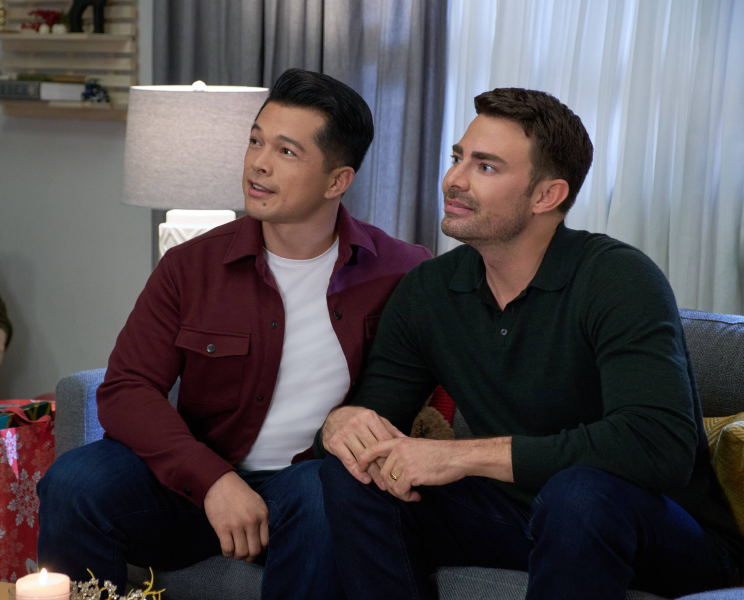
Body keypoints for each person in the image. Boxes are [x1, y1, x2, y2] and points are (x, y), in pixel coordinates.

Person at [317, 88, 744, 600]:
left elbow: (657, 446)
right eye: (457, 158)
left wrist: (461, 457)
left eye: (485, 166)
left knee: (578, 494)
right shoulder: (429, 290)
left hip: (657, 532)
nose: (454, 179)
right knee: (353, 476)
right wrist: (343, 423)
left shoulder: (619, 278)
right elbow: (376, 417)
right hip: (518, 518)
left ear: (547, 196)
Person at [36, 68, 431, 599]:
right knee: (75, 481)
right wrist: (213, 480)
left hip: (311, 486)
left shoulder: (402, 271)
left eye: (286, 152)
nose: (258, 164)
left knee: (323, 492)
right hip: (198, 482)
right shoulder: (191, 266)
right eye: (255, 141)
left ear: (337, 181)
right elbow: (127, 388)